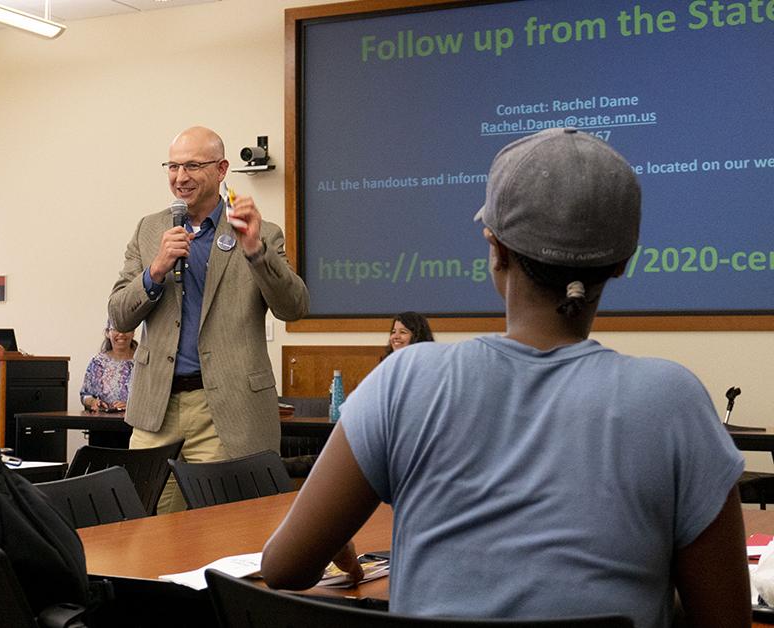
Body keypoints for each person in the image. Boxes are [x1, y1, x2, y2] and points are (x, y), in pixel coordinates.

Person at [262, 129, 748, 627]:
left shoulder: (404, 380)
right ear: (622, 263)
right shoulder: (674, 402)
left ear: (495, 249)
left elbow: (283, 569)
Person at [108, 126, 308, 513]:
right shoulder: (150, 230)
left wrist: (256, 252)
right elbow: (118, 312)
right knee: (147, 530)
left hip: (227, 410)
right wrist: (155, 271)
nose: (180, 177)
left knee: (222, 531)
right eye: (174, 166)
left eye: (193, 166)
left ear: (221, 169)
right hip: (157, 411)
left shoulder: (261, 232)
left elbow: (294, 307)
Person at [79, 320, 136, 412]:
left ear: (133, 333)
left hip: (134, 422)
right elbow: (85, 395)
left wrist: (130, 406)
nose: (121, 334)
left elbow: (153, 397)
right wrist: (93, 402)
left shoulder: (142, 362)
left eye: (126, 329)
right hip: (102, 421)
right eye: (116, 329)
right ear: (107, 333)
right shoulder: (97, 362)